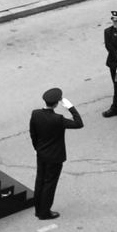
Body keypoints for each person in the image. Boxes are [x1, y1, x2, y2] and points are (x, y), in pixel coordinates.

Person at [29, 88, 83, 220]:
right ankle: (44, 212)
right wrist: (70, 107)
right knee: (50, 184)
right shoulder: (58, 119)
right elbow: (79, 123)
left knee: (40, 180)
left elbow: (33, 134)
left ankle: (38, 209)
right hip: (55, 157)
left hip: (41, 154)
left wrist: (38, 148)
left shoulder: (35, 114)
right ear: (57, 104)